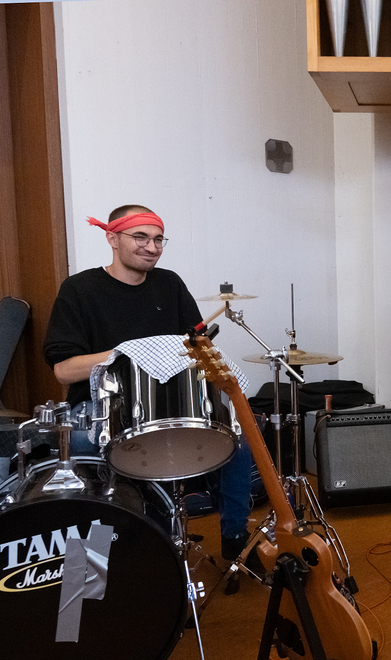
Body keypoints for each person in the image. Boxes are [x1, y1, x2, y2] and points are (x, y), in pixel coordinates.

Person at [43, 204, 260, 573]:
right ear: (112, 238)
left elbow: (198, 346)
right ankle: (99, 563)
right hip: (99, 410)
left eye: (158, 239)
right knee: (86, 448)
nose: (152, 247)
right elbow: (64, 371)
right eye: (140, 237)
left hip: (170, 406)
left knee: (238, 439)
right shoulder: (79, 289)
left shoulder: (169, 284)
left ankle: (236, 538)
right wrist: (129, 351)